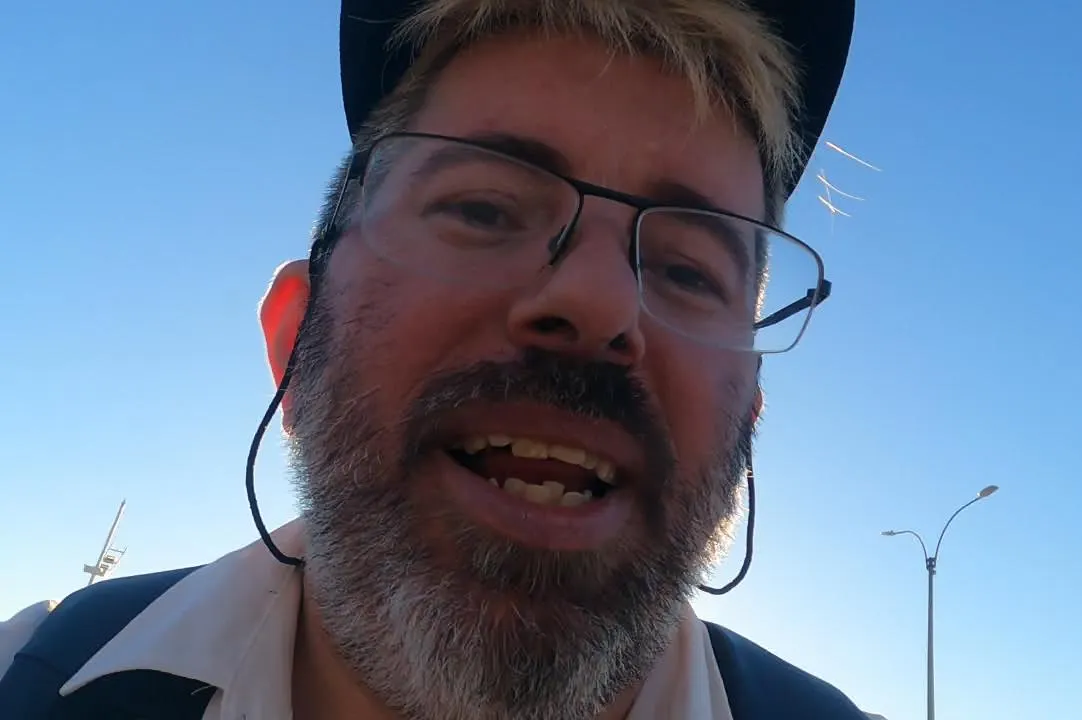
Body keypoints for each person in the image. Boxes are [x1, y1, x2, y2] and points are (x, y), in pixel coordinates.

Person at [0, 1, 867, 718]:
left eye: (686, 270)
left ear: (747, 423)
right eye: (484, 210)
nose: (599, 302)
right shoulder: (28, 676)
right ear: (296, 340)